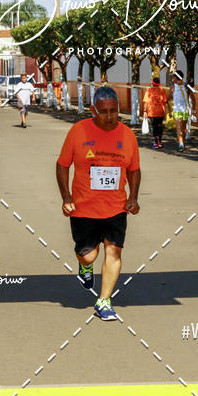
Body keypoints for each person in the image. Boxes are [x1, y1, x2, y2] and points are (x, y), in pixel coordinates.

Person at [56, 86, 141, 321]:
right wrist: (66, 197)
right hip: (84, 208)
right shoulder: (78, 132)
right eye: (103, 111)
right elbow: (62, 165)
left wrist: (133, 197)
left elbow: (134, 170)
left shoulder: (127, 135)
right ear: (93, 109)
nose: (109, 116)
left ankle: (104, 301)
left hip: (116, 207)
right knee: (89, 256)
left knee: (114, 252)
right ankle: (84, 266)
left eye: (114, 111)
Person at [167, 70, 195, 152]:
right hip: (177, 110)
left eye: (174, 77)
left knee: (183, 128)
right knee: (179, 127)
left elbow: (193, 99)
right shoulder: (173, 87)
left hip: (185, 110)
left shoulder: (186, 87)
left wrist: (194, 109)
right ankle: (181, 144)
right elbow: (167, 99)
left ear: (176, 78)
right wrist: (169, 111)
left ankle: (182, 141)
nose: (173, 79)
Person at [142, 75, 168, 148]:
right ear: (159, 83)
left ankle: (156, 142)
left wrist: (144, 111)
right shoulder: (163, 90)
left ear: (152, 83)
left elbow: (146, 102)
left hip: (152, 112)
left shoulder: (149, 90)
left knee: (154, 127)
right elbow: (166, 102)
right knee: (159, 126)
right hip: (161, 112)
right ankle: (160, 142)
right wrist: (169, 112)